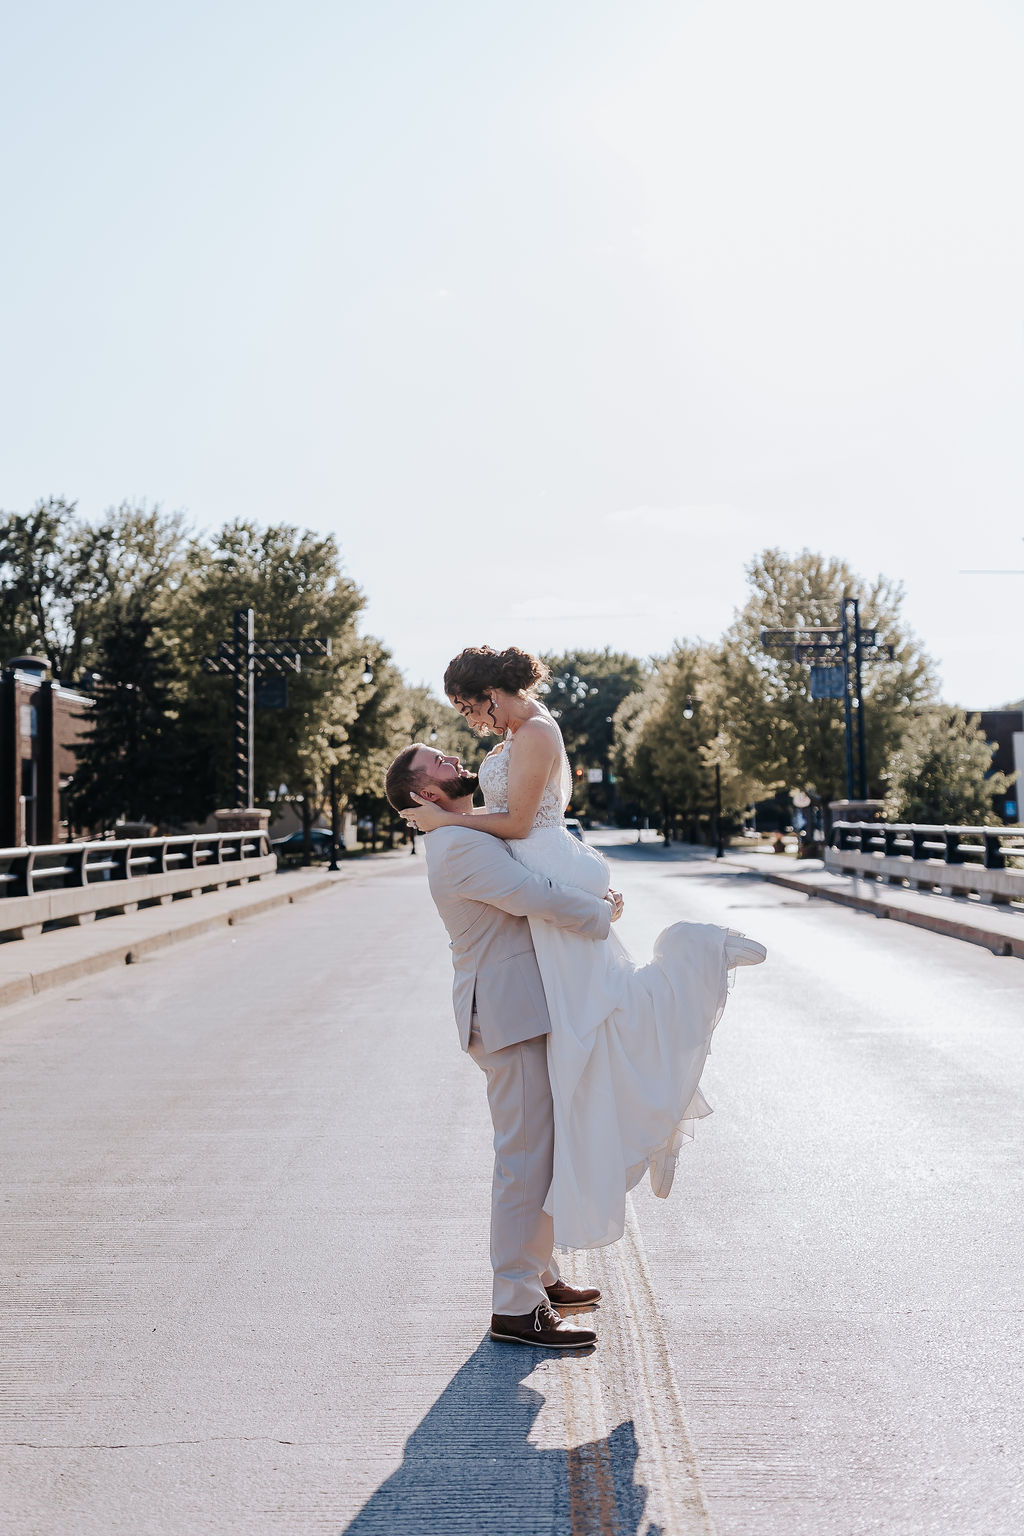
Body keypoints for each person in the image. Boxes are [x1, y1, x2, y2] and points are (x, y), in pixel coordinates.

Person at [399, 645, 766, 1253]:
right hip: (547, 871)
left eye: (470, 707)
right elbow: (507, 816)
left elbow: (517, 823)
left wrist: (446, 823)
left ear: (492, 692)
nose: (471, 722)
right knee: (589, 1033)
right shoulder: (518, 732)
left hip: (549, 868)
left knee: (599, 1018)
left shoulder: (537, 730)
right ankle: (650, 1126)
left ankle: (698, 955)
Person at [384, 742, 624, 1349]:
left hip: (519, 1008)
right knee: (522, 1159)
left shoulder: (465, 831)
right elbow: (533, 895)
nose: (452, 759)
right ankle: (515, 1305)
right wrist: (600, 911)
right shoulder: (458, 846)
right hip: (505, 1013)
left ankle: (537, 1277)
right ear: (424, 794)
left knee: (538, 1150)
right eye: (438, 762)